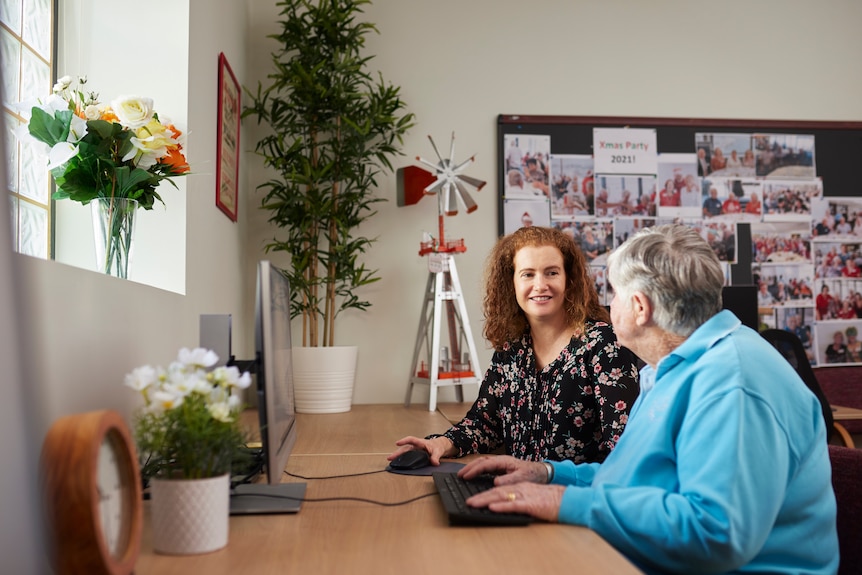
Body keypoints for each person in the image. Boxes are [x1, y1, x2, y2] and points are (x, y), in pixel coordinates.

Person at [458, 224, 838, 575]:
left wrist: (565, 502)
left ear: (639, 307)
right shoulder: (673, 366)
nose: (608, 307)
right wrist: (550, 475)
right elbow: (632, 479)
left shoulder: (733, 385)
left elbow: (715, 536)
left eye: (615, 295)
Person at [389, 226, 639, 466]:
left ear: (569, 280)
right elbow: (486, 424)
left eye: (551, 272)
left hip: (574, 497)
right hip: (518, 491)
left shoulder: (604, 344)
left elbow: (623, 452)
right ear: (512, 284)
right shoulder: (512, 348)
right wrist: (440, 444)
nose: (540, 285)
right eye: (528, 274)